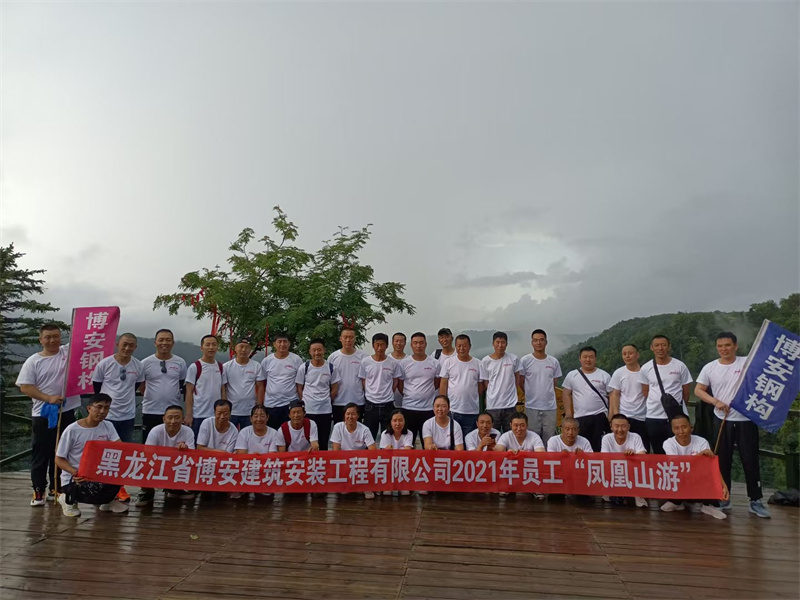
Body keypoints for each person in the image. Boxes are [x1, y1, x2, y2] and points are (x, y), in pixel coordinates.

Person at [696, 332, 770, 518]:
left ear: (735, 346)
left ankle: (755, 500)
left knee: (750, 460)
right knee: (722, 460)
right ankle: (724, 497)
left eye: (727, 345)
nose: (724, 349)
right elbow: (698, 390)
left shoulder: (747, 362)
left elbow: (766, 375)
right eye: (720, 346)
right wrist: (715, 401)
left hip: (746, 420)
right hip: (722, 419)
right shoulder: (710, 367)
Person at [16, 323, 82, 506]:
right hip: (43, 413)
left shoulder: (67, 352)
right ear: (41, 340)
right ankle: (39, 489)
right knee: (41, 453)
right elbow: (25, 386)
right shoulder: (33, 361)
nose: (52, 340)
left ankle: (57, 488)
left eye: (56, 336)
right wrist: (48, 398)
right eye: (48, 337)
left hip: (66, 411)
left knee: (62, 451)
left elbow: (84, 338)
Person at [55, 394, 127, 516]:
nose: (102, 411)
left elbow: (120, 447)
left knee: (118, 471)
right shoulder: (72, 430)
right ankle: (67, 499)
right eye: (98, 407)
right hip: (77, 476)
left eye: (106, 408)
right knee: (88, 491)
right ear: (89, 408)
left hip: (98, 473)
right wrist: (74, 472)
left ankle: (108, 501)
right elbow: (58, 459)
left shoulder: (108, 426)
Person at [661, 414, 728, 519]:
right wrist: (699, 456)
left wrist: (723, 486)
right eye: (676, 428)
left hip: (698, 477)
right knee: (668, 473)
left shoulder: (702, 441)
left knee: (707, 470)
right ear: (672, 430)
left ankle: (709, 505)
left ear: (691, 427)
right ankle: (676, 501)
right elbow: (676, 464)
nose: (681, 431)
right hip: (680, 476)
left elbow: (712, 466)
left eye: (684, 427)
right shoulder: (668, 443)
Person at [639, 335, 693, 454]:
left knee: (679, 450)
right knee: (658, 451)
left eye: (663, 345)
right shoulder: (646, 368)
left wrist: (676, 407)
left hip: (675, 417)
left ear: (669, 347)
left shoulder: (680, 366)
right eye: (657, 345)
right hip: (653, 416)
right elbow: (645, 392)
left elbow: (686, 392)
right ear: (652, 348)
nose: (660, 348)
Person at [136, 404, 196, 507]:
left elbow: (193, 455)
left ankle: (175, 488)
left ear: (182, 419)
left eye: (177, 418)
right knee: (144, 464)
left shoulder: (188, 431)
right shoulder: (155, 431)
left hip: (177, 464)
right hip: (158, 462)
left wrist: (186, 449)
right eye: (170, 417)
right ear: (164, 419)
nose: (173, 421)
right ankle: (147, 491)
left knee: (192, 465)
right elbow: (148, 453)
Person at [91, 333, 145, 444]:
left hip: (128, 414)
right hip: (107, 414)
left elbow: (136, 385)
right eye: (124, 344)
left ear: (135, 347)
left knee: (125, 446)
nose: (127, 348)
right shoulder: (104, 364)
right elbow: (97, 386)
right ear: (117, 345)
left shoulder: (139, 365)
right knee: (104, 445)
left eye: (131, 345)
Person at [139, 329, 187, 443]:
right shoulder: (145, 363)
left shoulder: (180, 362)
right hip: (151, 411)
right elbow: (141, 386)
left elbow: (181, 384)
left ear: (173, 343)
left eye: (168, 340)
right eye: (161, 340)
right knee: (149, 445)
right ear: (155, 342)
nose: (164, 343)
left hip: (173, 412)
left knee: (174, 445)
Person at [562, 347, 611, 451]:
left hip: (600, 416)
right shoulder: (572, 375)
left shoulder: (604, 375)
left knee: (599, 447)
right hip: (580, 417)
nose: (588, 360)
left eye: (591, 357)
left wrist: (611, 414)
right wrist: (568, 414)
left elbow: (612, 395)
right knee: (581, 448)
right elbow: (566, 393)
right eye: (585, 357)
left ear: (595, 358)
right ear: (580, 358)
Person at [518, 329, 562, 445]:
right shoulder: (525, 360)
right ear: (532, 342)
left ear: (546, 342)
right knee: (532, 439)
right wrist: (530, 393)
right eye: (535, 340)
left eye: (541, 340)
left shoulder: (553, 361)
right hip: (531, 406)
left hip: (550, 407)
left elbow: (554, 383)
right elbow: (521, 382)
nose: (538, 343)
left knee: (550, 439)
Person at [439, 334, 487, 438]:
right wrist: (443, 405)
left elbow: (480, 387)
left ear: (470, 346)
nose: (461, 348)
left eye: (464, 346)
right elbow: (443, 385)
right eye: (459, 346)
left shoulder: (478, 363)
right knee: (452, 440)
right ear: (455, 346)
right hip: (453, 410)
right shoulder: (449, 362)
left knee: (469, 440)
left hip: (471, 411)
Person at [295, 338, 339, 451]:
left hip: (325, 410)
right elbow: (299, 387)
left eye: (319, 350)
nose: (316, 353)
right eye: (314, 350)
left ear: (324, 350)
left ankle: (323, 462)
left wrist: (327, 399)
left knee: (323, 442)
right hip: (308, 410)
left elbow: (335, 388)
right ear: (310, 351)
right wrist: (304, 401)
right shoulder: (304, 367)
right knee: (308, 442)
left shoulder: (331, 368)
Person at [231, 404, 283, 499]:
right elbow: (241, 454)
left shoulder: (274, 433)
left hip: (265, 470)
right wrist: (257, 457)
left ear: (267, 418)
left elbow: (272, 456)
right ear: (251, 419)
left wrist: (256, 457)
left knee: (265, 500)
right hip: (246, 469)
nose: (259, 419)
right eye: (255, 416)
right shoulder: (244, 432)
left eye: (262, 416)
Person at [399, 332, 440, 447]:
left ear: (425, 344)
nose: (418, 346)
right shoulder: (404, 363)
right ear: (411, 345)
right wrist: (409, 394)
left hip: (428, 409)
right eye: (415, 343)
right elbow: (400, 384)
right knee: (407, 444)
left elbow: (437, 382)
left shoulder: (435, 363)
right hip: (408, 408)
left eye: (421, 343)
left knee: (428, 444)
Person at [359, 333, 402, 439]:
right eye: (377, 344)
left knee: (388, 436)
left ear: (387, 346)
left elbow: (395, 382)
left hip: (388, 404)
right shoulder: (365, 362)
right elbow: (364, 381)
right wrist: (370, 393)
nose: (379, 348)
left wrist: (387, 393)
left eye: (382, 345)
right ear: (373, 345)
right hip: (370, 404)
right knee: (369, 437)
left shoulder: (393, 363)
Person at [330, 403, 378, 498]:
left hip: (360, 461)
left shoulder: (364, 429)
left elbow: (373, 450)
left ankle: (365, 486)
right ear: (344, 415)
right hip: (343, 460)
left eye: (353, 414)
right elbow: (336, 451)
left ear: (358, 416)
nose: (350, 417)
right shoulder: (338, 427)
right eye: (348, 414)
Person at [600, 414, 648, 508]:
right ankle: (610, 492)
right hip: (614, 470)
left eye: (623, 426)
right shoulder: (607, 438)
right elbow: (604, 457)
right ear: (611, 427)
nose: (620, 429)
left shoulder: (635, 437)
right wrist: (624, 457)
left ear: (628, 427)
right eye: (616, 426)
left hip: (632, 470)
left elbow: (642, 455)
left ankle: (638, 496)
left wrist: (633, 455)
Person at [185, 335, 227, 440]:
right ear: (202, 348)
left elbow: (223, 390)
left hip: (216, 415)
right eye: (207, 345)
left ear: (217, 347)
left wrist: (224, 411)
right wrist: (189, 414)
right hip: (199, 414)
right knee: (198, 443)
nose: (211, 347)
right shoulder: (195, 367)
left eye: (214, 344)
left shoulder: (221, 367)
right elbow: (189, 392)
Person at [608, 344, 649, 452]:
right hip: (624, 415)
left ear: (637, 355)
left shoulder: (645, 372)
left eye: (630, 353)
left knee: (642, 447)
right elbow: (615, 394)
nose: (627, 356)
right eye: (624, 354)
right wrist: (616, 415)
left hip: (642, 416)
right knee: (623, 447)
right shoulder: (619, 373)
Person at [482, 332, 523, 433]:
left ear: (506, 344)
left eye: (503, 342)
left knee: (511, 434)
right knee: (493, 435)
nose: (500, 345)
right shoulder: (486, 361)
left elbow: (517, 379)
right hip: (493, 405)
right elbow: (486, 382)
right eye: (497, 342)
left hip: (510, 405)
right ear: (493, 343)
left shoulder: (513, 359)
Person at [261, 333, 304, 428]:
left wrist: (301, 401)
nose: (282, 344)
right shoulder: (267, 361)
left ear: (289, 344)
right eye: (279, 342)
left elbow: (300, 383)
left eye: (285, 341)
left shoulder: (296, 360)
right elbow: (262, 383)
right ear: (274, 344)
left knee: (290, 432)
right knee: (273, 433)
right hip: (271, 404)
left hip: (290, 403)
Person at [224, 337, 266, 431]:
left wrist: (258, 407)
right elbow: (223, 388)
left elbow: (260, 387)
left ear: (250, 349)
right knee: (229, 435)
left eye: (247, 347)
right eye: (241, 347)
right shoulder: (226, 367)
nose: (243, 350)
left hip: (249, 410)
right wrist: (225, 407)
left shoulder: (256, 366)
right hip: (232, 410)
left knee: (249, 436)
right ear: (235, 348)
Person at [328, 328, 367, 424]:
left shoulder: (363, 357)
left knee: (357, 430)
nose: (348, 340)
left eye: (351, 337)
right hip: (338, 401)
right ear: (340, 339)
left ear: (355, 339)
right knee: (339, 429)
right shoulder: (333, 357)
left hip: (357, 401)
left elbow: (366, 380)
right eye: (345, 337)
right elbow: (329, 380)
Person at [379, 409, 413, 496]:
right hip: (389, 467)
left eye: (400, 420)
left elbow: (407, 452)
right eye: (394, 420)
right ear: (390, 422)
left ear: (405, 421)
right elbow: (384, 455)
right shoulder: (385, 434)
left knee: (405, 493)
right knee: (387, 493)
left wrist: (392, 451)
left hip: (403, 467)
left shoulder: (409, 433)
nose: (397, 424)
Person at [390, 332, 409, 408]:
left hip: (407, 401)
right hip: (389, 400)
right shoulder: (387, 359)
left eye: (401, 341)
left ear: (405, 343)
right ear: (392, 342)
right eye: (396, 341)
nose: (398, 343)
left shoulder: (409, 360)